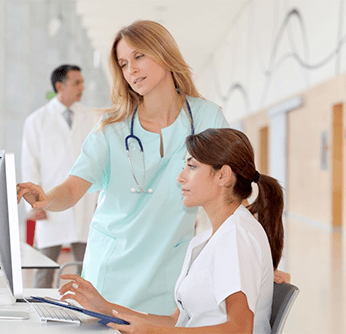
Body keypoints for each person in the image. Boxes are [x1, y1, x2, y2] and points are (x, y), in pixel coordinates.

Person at [17, 20, 288, 314]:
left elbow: (232, 197)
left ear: (164, 53)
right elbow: (73, 187)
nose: (131, 70)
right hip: (111, 271)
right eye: (123, 63)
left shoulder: (207, 117)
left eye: (139, 56)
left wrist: (252, 262)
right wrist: (47, 198)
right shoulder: (112, 127)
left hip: (170, 269)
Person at [58, 128, 285, 334]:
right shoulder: (205, 240)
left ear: (222, 176)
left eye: (192, 166)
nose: (181, 177)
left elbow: (239, 329)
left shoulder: (237, 235)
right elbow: (175, 322)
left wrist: (152, 332)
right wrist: (106, 308)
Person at [21, 64, 99, 288]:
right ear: (59, 86)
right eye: (76, 83)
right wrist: (33, 205)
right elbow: (29, 165)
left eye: (82, 82)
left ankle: (85, 311)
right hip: (50, 203)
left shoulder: (92, 117)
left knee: (88, 267)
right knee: (45, 268)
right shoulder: (36, 121)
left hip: (85, 201)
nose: (82, 87)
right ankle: (40, 311)